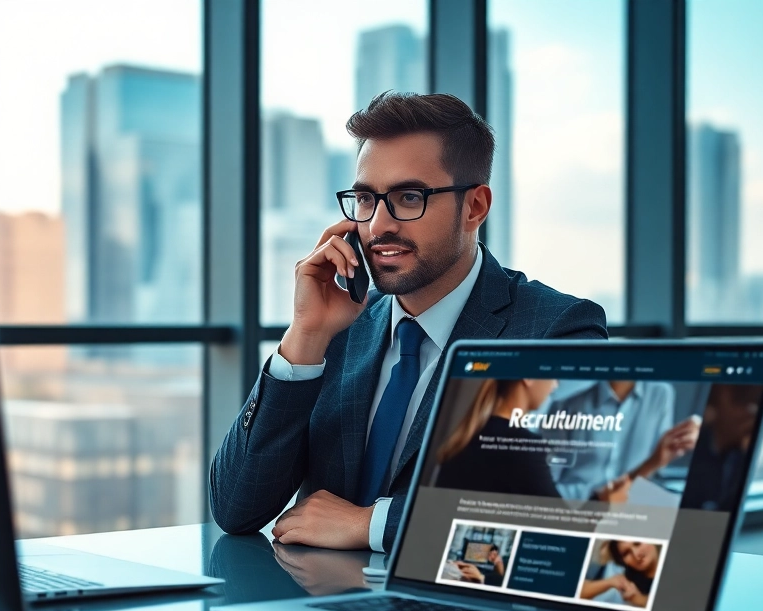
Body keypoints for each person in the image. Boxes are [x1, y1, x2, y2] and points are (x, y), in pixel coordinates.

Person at [209, 92, 608, 552]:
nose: (378, 225)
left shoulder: (555, 329)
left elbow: (569, 513)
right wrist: (305, 335)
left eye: (408, 197)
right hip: (318, 606)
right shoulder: (338, 329)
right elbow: (237, 508)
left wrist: (370, 525)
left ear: (475, 207)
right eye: (365, 199)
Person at [544, 381, 700, 502]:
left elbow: (658, 465)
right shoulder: (566, 406)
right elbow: (547, 484)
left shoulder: (660, 395)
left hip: (631, 506)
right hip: (577, 507)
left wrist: (693, 432)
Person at [432, 378, 563, 497]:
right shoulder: (524, 447)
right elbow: (559, 517)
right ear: (528, 378)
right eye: (553, 376)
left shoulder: (463, 439)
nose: (555, 385)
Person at [581, 540, 660, 607]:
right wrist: (610, 582)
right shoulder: (622, 573)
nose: (636, 555)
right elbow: (577, 591)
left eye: (637, 543)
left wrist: (640, 600)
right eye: (626, 553)